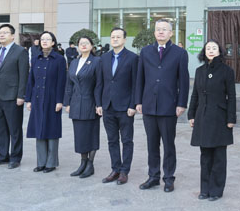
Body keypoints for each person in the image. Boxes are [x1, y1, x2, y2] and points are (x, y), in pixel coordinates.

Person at [134, 19, 189, 192]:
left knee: (168, 144)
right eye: (158, 29)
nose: (161, 32)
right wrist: (138, 101)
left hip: (169, 106)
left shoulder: (180, 53)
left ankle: (169, 178)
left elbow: (184, 81)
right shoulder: (145, 52)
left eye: (164, 29)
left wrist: (181, 103)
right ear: (154, 33)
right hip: (149, 105)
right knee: (152, 144)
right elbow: (140, 78)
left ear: (171, 33)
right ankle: (153, 176)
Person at [188, 39, 236, 201]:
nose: (210, 50)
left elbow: (232, 96)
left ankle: (216, 190)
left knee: (219, 156)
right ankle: (205, 189)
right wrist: (191, 114)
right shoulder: (199, 71)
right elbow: (195, 95)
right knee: (205, 156)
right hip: (202, 116)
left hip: (220, 117)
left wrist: (231, 118)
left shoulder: (227, 71)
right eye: (208, 48)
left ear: (220, 52)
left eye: (214, 48)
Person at [96, 27, 139, 185]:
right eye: (113, 36)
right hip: (107, 106)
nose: (115, 39)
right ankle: (115, 169)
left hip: (125, 107)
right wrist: (99, 103)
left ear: (125, 40)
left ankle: (124, 171)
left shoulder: (133, 58)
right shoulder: (104, 58)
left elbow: (135, 84)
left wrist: (133, 104)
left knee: (127, 140)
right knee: (112, 140)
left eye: (118, 37)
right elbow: (100, 83)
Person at [0, 24, 30, 168]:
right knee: (0, 129)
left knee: (14, 129)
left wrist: (21, 95)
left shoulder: (20, 51)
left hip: (13, 96)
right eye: (0, 32)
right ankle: (3, 155)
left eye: (5, 32)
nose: (2, 35)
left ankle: (15, 157)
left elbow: (23, 75)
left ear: (12, 36)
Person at [25, 31, 66, 173]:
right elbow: (31, 80)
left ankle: (51, 163)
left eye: (48, 39)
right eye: (42, 39)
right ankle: (41, 162)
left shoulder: (59, 59)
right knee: (39, 129)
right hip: (37, 98)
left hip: (52, 98)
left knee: (52, 130)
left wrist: (60, 101)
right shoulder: (36, 58)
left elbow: (62, 81)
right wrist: (28, 99)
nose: (44, 41)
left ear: (53, 42)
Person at [65, 36, 102, 178]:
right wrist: (68, 102)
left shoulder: (97, 61)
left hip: (90, 102)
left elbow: (99, 84)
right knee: (80, 135)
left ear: (92, 46)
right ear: (78, 46)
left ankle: (90, 164)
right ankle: (83, 162)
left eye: (87, 43)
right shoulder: (74, 62)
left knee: (91, 134)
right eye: (81, 43)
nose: (84, 45)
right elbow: (69, 84)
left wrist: (98, 104)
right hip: (76, 103)